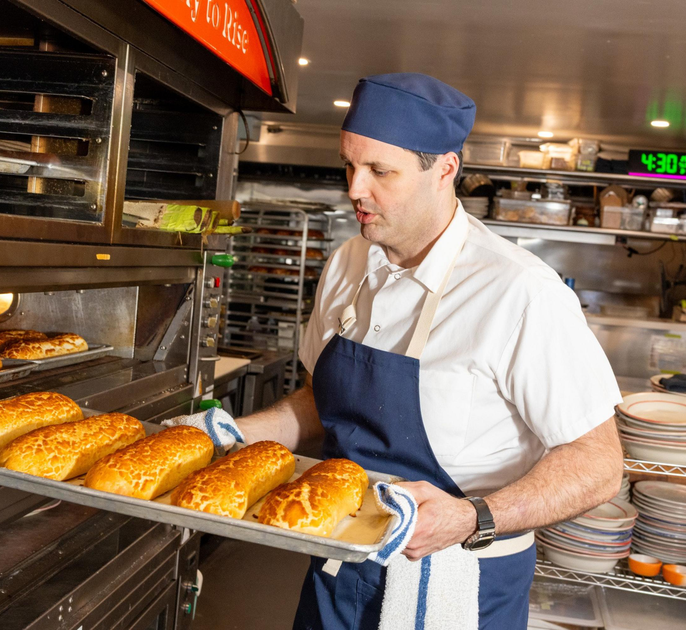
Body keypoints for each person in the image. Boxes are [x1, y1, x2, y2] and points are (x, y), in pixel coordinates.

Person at [175, 73, 625, 628]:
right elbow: (327, 402)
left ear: (444, 170)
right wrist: (231, 435)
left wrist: (472, 516)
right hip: (340, 568)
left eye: (380, 171)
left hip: (456, 585)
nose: (355, 189)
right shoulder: (346, 264)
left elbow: (599, 464)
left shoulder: (519, 292)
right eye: (350, 165)